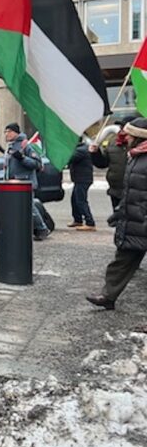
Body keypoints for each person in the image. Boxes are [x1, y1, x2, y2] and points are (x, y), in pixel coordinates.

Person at [87, 118, 147, 310]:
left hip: (143, 220)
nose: (125, 136)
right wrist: (120, 213)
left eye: (129, 133)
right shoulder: (135, 156)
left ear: (138, 136)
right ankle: (108, 296)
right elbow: (130, 191)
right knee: (121, 261)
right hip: (133, 220)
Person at [3, 123, 50, 241]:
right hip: (13, 183)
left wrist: (22, 158)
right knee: (17, 209)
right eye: (5, 132)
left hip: (24, 183)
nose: (6, 134)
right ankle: (21, 231)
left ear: (16, 132)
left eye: (9, 131)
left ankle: (42, 228)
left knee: (29, 208)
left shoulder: (26, 145)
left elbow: (37, 164)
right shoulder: (11, 146)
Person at [90, 119, 132, 211]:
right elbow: (102, 164)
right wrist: (95, 153)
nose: (121, 131)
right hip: (116, 191)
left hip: (135, 193)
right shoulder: (113, 143)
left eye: (125, 128)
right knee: (118, 221)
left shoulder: (140, 146)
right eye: (121, 128)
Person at [67, 138, 96, 231]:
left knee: (81, 201)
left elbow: (69, 159)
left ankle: (90, 222)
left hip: (83, 179)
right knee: (74, 200)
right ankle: (78, 220)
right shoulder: (80, 149)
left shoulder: (81, 150)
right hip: (79, 179)